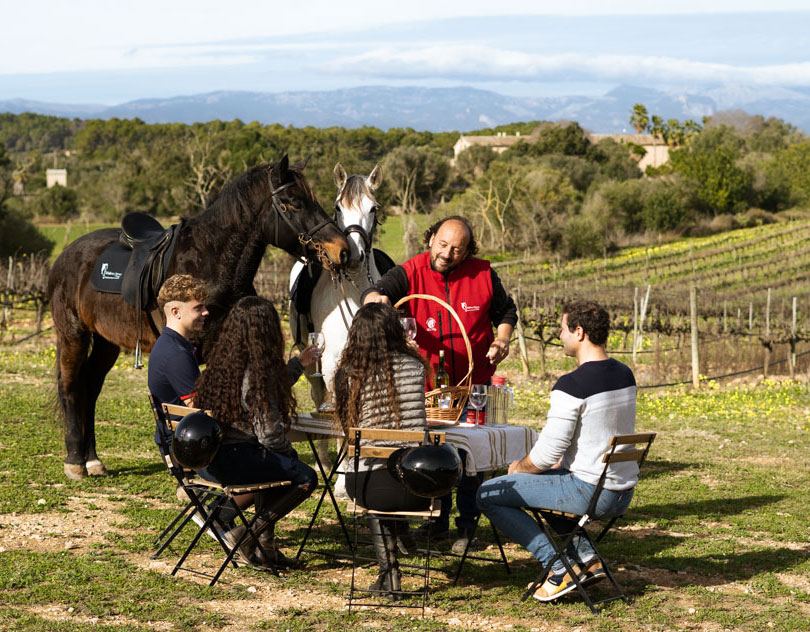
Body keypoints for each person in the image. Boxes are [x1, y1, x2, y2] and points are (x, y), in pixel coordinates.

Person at [363, 215, 517, 553]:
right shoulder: (411, 270)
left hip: (474, 386)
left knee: (471, 456)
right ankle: (435, 524)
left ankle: (467, 528)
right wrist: (378, 301)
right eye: (443, 244)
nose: (447, 254)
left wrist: (502, 340)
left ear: (467, 252)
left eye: (457, 250)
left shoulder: (483, 274)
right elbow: (375, 292)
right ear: (431, 238)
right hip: (428, 389)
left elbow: (506, 312)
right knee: (436, 453)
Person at [476, 301, 638, 602]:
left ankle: (558, 567)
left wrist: (518, 468)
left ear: (579, 332)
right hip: (620, 489)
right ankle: (587, 559)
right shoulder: (624, 374)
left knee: (487, 494)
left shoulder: (572, 385)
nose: (559, 336)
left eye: (562, 330)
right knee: (549, 481)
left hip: (590, 491)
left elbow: (547, 454)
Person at [193, 296, 318, 569]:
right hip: (235, 462)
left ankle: (266, 549)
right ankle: (247, 534)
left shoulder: (224, 364)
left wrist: (298, 364)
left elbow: (265, 389)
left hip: (211, 459)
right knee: (304, 476)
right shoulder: (256, 373)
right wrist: (291, 456)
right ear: (267, 331)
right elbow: (270, 436)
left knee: (275, 463)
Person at [333, 303, 431, 598]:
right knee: (388, 473)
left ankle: (390, 575)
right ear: (395, 330)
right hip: (417, 488)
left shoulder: (349, 372)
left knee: (371, 476)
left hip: (368, 487)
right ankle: (399, 551)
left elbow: (348, 427)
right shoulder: (416, 366)